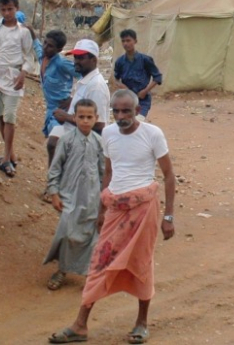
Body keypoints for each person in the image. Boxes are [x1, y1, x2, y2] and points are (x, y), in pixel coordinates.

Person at [48, 89, 176, 344]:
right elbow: (108, 172)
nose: (120, 116)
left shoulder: (153, 134)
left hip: (144, 208)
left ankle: (141, 323)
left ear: (137, 111)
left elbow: (169, 175)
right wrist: (102, 209)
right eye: (115, 111)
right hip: (115, 208)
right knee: (98, 263)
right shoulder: (107, 133)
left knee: (141, 263)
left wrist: (169, 217)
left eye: (126, 110)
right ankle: (80, 325)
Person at [43, 99, 105, 291]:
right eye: (81, 117)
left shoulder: (99, 142)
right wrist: (54, 192)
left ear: (96, 118)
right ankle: (62, 269)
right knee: (66, 231)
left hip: (92, 198)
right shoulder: (66, 140)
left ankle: (88, 272)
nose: (85, 121)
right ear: (75, 117)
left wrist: (104, 198)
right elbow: (55, 169)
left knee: (89, 235)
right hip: (69, 195)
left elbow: (104, 172)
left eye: (89, 117)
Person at [0, 0, 34, 178]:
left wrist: (23, 74)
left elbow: (29, 57)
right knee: (1, 117)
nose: (7, 13)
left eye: (10, 9)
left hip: (13, 79)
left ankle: (6, 158)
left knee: (10, 117)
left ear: (16, 8)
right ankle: (10, 155)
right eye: (3, 9)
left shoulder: (23, 32)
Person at [40, 30, 78, 165]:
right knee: (53, 146)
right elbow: (35, 45)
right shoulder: (42, 56)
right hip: (50, 110)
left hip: (61, 111)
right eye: (44, 43)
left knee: (54, 144)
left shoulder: (62, 63)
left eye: (50, 46)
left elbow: (84, 75)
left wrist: (73, 99)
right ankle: (53, 178)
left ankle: (54, 178)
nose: (45, 47)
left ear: (59, 49)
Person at [113, 29, 162, 121]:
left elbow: (157, 77)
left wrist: (145, 91)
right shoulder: (120, 61)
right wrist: (123, 87)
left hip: (142, 100)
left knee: (138, 122)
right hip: (127, 99)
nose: (125, 44)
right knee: (126, 124)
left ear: (135, 41)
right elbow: (116, 79)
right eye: (123, 41)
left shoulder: (145, 60)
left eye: (128, 40)